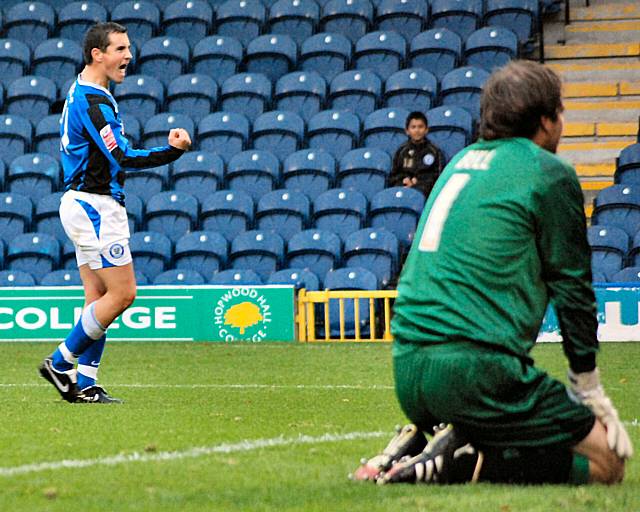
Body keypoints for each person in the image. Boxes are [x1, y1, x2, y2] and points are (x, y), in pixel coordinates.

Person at [353, 60, 633, 485]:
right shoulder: (548, 172)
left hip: (408, 369)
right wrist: (588, 387)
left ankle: (419, 447)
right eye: (560, 113)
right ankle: (467, 460)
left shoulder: (458, 162)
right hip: (477, 373)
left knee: (521, 431)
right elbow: (573, 290)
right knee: (607, 463)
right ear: (545, 120)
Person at [38, 22, 191, 404]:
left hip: (83, 202)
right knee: (123, 295)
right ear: (98, 54)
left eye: (128, 48)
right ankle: (60, 362)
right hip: (95, 205)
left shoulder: (85, 91)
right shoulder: (94, 101)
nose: (129, 56)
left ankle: (86, 384)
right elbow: (121, 155)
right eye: (120, 49)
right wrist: (173, 151)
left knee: (98, 296)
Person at [388, 111, 444, 200]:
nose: (417, 130)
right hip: (404, 187)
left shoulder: (434, 151)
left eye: (420, 127)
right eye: (413, 127)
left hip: (425, 191)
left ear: (426, 130)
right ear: (407, 131)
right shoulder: (401, 151)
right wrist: (404, 180)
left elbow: (439, 177)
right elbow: (393, 176)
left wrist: (417, 182)